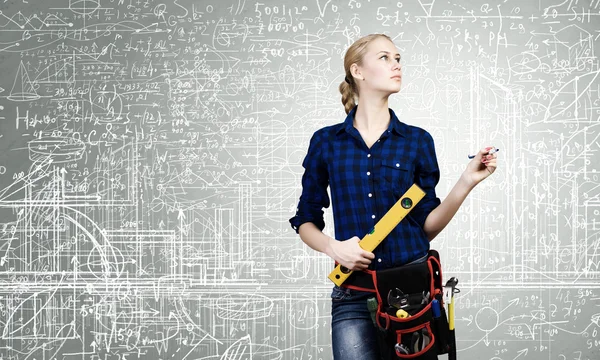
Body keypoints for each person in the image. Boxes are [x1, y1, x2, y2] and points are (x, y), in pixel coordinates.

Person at [288, 33, 497, 360]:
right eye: (384, 57)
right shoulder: (326, 142)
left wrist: (467, 181)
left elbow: (426, 225)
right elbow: (305, 218)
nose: (396, 64)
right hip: (353, 297)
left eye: (398, 58)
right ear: (358, 71)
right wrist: (334, 247)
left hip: (413, 295)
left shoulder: (417, 141)